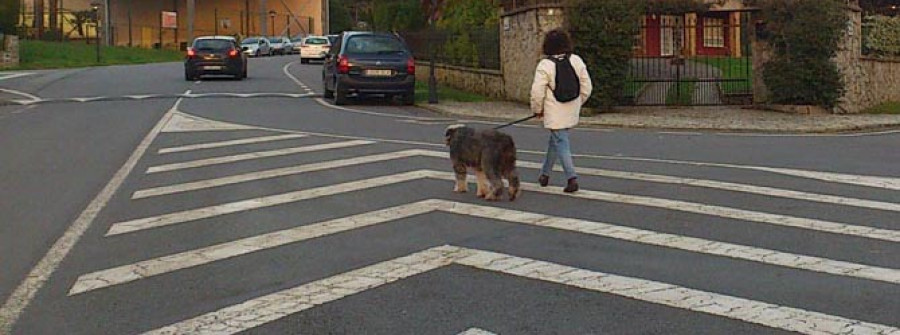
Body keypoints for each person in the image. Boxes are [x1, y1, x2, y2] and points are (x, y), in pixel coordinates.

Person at [531, 28, 592, 193]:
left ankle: (572, 178)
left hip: (554, 111)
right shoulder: (576, 60)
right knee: (556, 140)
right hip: (572, 107)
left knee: (561, 141)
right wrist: (579, 102)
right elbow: (587, 86)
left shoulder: (545, 65)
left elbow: (537, 92)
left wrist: (537, 109)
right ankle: (544, 174)